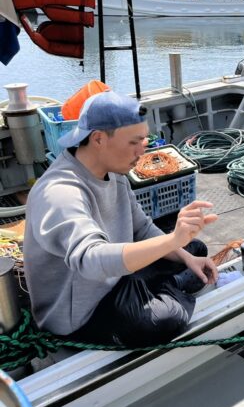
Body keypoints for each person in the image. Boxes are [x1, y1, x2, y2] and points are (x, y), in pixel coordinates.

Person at [24, 91, 219, 346]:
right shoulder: (60, 193)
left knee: (195, 251)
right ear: (98, 139)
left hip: (115, 277)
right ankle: (168, 287)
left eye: (145, 140)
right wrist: (172, 240)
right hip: (83, 311)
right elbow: (91, 260)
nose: (142, 150)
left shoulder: (113, 171)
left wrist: (185, 254)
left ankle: (165, 286)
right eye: (134, 142)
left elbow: (141, 227)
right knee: (166, 319)